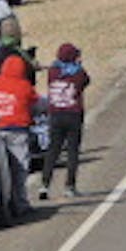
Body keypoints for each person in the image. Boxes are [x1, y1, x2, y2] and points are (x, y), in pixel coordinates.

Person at [0, 54, 38, 215]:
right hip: (18, 130)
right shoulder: (24, 86)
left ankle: (4, 203)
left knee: (1, 170)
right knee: (20, 168)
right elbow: (35, 100)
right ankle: (21, 203)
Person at [39, 43, 89, 200]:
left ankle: (44, 185)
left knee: (53, 150)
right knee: (72, 151)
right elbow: (85, 82)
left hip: (55, 115)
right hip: (73, 114)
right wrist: (78, 67)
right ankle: (70, 186)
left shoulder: (53, 72)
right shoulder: (78, 73)